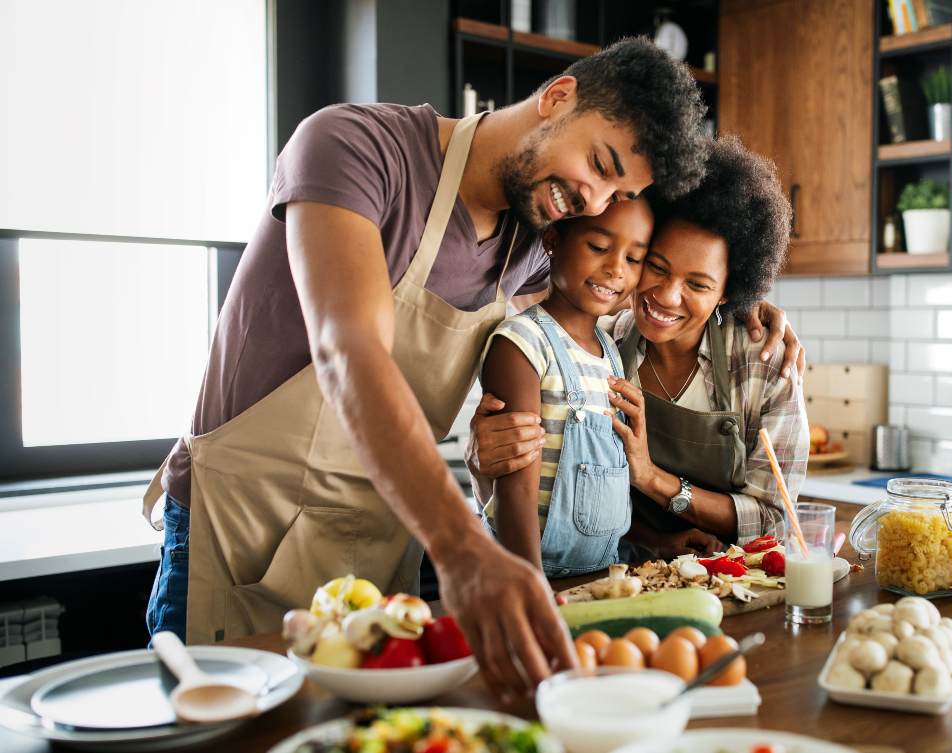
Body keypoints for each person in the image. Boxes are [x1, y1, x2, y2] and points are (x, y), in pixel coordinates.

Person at [142, 36, 710, 701]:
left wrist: (743, 324)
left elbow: (604, 318)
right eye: (599, 163)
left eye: (619, 190)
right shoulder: (353, 148)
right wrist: (464, 546)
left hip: (374, 548)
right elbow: (348, 352)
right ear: (558, 98)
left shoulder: (530, 246)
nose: (593, 200)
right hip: (244, 529)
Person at [471, 137, 810, 562]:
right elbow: (538, 482)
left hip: (733, 578)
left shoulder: (764, 364)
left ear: (729, 293)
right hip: (621, 573)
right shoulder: (604, 341)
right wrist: (485, 450)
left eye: (698, 285)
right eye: (656, 265)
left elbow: (775, 516)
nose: (667, 296)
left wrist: (653, 479)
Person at [480, 199, 652, 576]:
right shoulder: (521, 343)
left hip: (600, 575)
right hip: (524, 574)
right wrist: (531, 586)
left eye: (634, 258)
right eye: (599, 247)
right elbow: (517, 487)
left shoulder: (610, 353)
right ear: (552, 239)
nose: (615, 269)